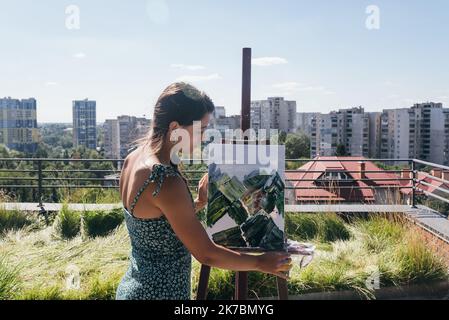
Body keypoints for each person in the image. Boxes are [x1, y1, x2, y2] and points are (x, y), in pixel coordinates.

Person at [116, 82, 292, 300]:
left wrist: (199, 202)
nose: (204, 137)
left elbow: (155, 220)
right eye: (200, 129)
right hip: (158, 294)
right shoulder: (166, 181)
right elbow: (207, 254)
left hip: (133, 288)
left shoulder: (133, 159)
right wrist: (260, 262)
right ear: (174, 128)